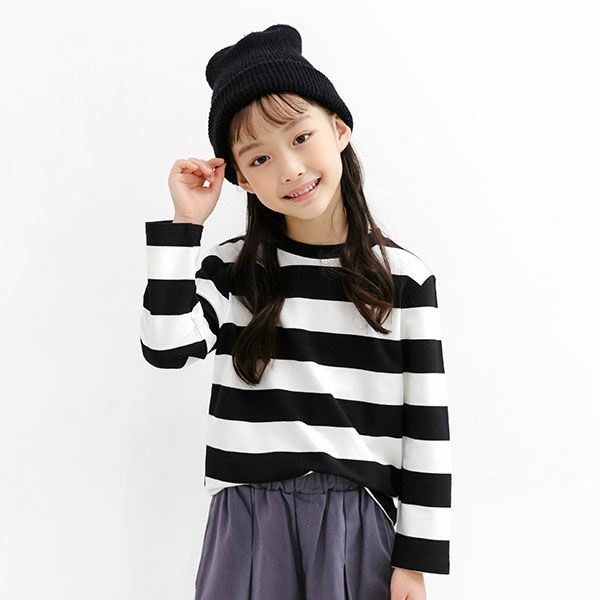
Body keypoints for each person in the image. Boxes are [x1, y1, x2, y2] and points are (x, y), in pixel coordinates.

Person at [140, 23, 451, 600]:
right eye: (259, 157)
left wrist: (416, 562)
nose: (289, 168)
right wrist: (185, 225)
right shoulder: (233, 269)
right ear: (241, 179)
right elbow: (165, 346)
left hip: (357, 525)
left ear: (339, 129)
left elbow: (427, 428)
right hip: (246, 525)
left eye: (301, 137)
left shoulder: (403, 279)